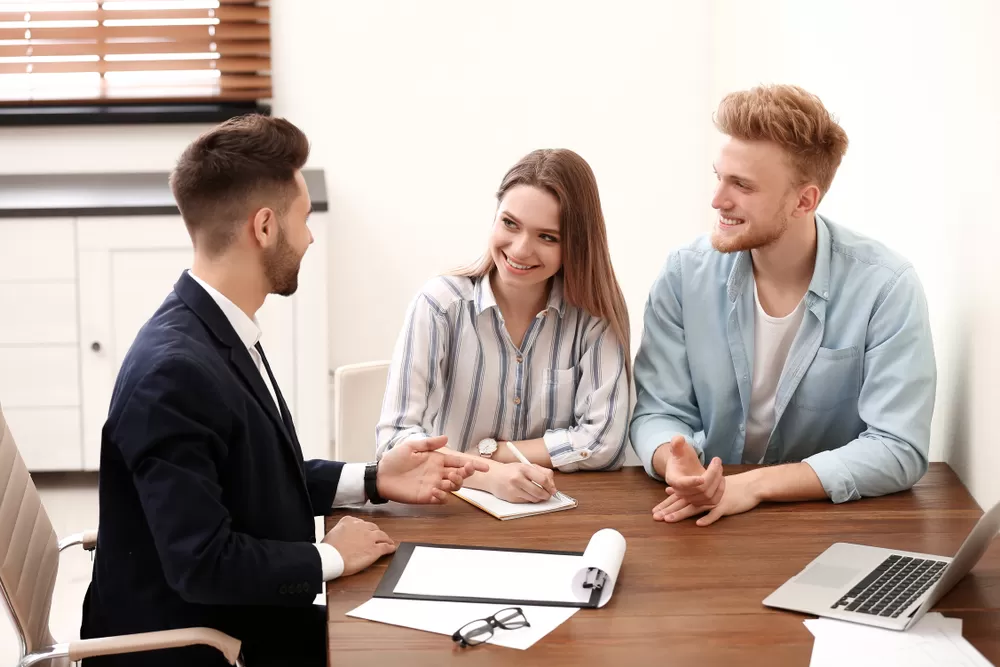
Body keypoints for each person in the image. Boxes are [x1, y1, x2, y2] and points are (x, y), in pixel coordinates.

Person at [79, 115, 487, 667]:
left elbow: (251, 481)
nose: (312, 235)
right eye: (305, 217)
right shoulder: (173, 374)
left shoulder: (214, 328)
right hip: (206, 644)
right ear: (265, 227)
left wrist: (373, 479)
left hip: (243, 618)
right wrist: (329, 558)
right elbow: (203, 563)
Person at [630, 84, 936, 526]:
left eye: (742, 185)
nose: (718, 200)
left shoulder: (886, 288)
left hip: (819, 524)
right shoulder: (683, 274)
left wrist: (754, 485)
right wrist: (672, 461)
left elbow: (897, 447)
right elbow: (658, 410)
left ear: (804, 200)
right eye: (720, 177)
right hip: (697, 517)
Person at [376, 148, 631, 503]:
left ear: (576, 244)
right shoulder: (439, 306)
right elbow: (395, 440)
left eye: (547, 237)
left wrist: (493, 453)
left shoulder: (594, 319)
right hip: (449, 506)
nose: (521, 249)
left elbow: (603, 442)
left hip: (555, 512)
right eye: (509, 223)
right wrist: (491, 476)